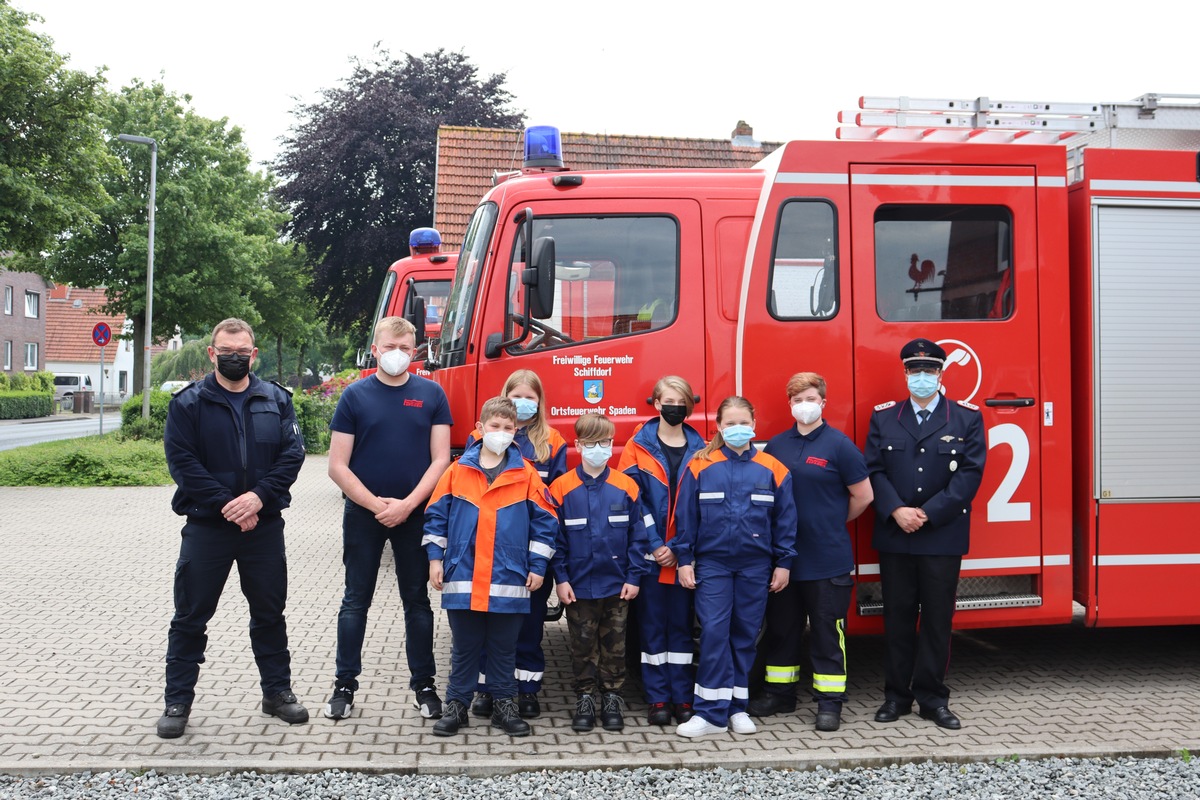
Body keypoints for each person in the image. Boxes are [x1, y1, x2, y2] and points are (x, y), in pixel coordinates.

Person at [156, 318, 307, 739]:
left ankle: (277, 693)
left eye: (242, 352)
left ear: (253, 354)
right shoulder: (188, 404)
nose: (234, 358)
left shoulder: (276, 400)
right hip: (208, 527)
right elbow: (182, 463)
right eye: (226, 351)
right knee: (190, 615)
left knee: (269, 613)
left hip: (263, 526)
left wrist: (258, 497)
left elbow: (292, 455)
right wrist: (230, 504)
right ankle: (177, 701)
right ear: (212, 353)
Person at [322, 316, 452, 722]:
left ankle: (425, 686)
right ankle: (344, 685)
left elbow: (441, 460)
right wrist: (378, 506)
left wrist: (408, 505)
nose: (397, 354)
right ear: (374, 350)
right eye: (389, 346)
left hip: (414, 515)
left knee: (417, 602)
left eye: (405, 348)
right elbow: (337, 466)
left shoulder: (432, 394)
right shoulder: (355, 397)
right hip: (363, 514)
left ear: (415, 352)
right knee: (354, 601)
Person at [865, 338, 986, 731]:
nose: (921, 377)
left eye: (929, 370)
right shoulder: (884, 417)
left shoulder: (966, 417)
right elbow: (874, 470)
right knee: (897, 618)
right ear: (904, 373)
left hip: (941, 534)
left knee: (937, 620)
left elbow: (969, 475)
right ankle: (896, 696)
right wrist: (897, 510)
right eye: (914, 371)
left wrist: (927, 514)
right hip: (896, 533)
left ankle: (933, 698)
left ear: (941, 373)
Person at [422, 396, 559, 737]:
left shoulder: (526, 474)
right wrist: (435, 561)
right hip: (463, 576)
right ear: (480, 429)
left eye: (507, 428)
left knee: (503, 648)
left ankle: (505, 708)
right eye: (493, 427)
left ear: (516, 432)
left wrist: (538, 566)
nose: (500, 433)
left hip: (508, 578)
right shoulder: (457, 471)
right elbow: (436, 517)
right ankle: (457, 707)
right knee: (465, 647)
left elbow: (546, 522)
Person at [749, 372, 873, 732]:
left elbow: (863, 496)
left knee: (826, 632)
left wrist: (832, 521)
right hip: (784, 561)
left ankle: (829, 702)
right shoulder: (776, 446)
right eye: (797, 399)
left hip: (826, 560)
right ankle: (780, 694)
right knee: (782, 630)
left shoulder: (840, 446)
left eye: (810, 398)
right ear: (790, 404)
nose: (804, 405)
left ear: (823, 402)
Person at [673, 396, 797, 737]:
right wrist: (685, 560)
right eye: (730, 424)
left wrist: (783, 563)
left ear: (754, 423)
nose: (737, 429)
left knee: (745, 636)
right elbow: (686, 518)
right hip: (713, 564)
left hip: (755, 566)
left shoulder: (774, 468)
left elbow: (785, 521)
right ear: (718, 426)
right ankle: (708, 714)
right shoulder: (700, 465)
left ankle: (737, 708)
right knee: (713, 633)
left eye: (743, 422)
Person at [466, 369, 568, 720]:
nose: (523, 403)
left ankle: (526, 690)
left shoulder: (552, 441)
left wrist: (543, 558)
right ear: (504, 395)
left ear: (539, 402)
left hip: (531, 553)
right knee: (488, 623)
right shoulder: (479, 436)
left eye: (530, 396)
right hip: (490, 549)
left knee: (529, 625)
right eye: (516, 395)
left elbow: (554, 504)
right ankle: (487, 689)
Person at [549, 413, 649, 733]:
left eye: (604, 442)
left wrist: (634, 576)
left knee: (615, 644)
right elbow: (556, 541)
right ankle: (585, 698)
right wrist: (561, 579)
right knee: (582, 644)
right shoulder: (561, 488)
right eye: (591, 443)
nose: (598, 448)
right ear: (578, 445)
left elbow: (638, 536)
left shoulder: (626, 487)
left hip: (617, 585)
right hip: (578, 587)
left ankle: (612, 697)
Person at [617, 376, 707, 726]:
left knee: (682, 629)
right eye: (669, 400)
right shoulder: (636, 446)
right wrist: (656, 545)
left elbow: (702, 506)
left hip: (685, 559)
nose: (675, 407)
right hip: (650, 557)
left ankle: (682, 697)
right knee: (652, 628)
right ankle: (657, 699)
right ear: (656, 403)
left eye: (682, 401)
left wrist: (680, 548)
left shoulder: (703, 448)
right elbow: (632, 500)